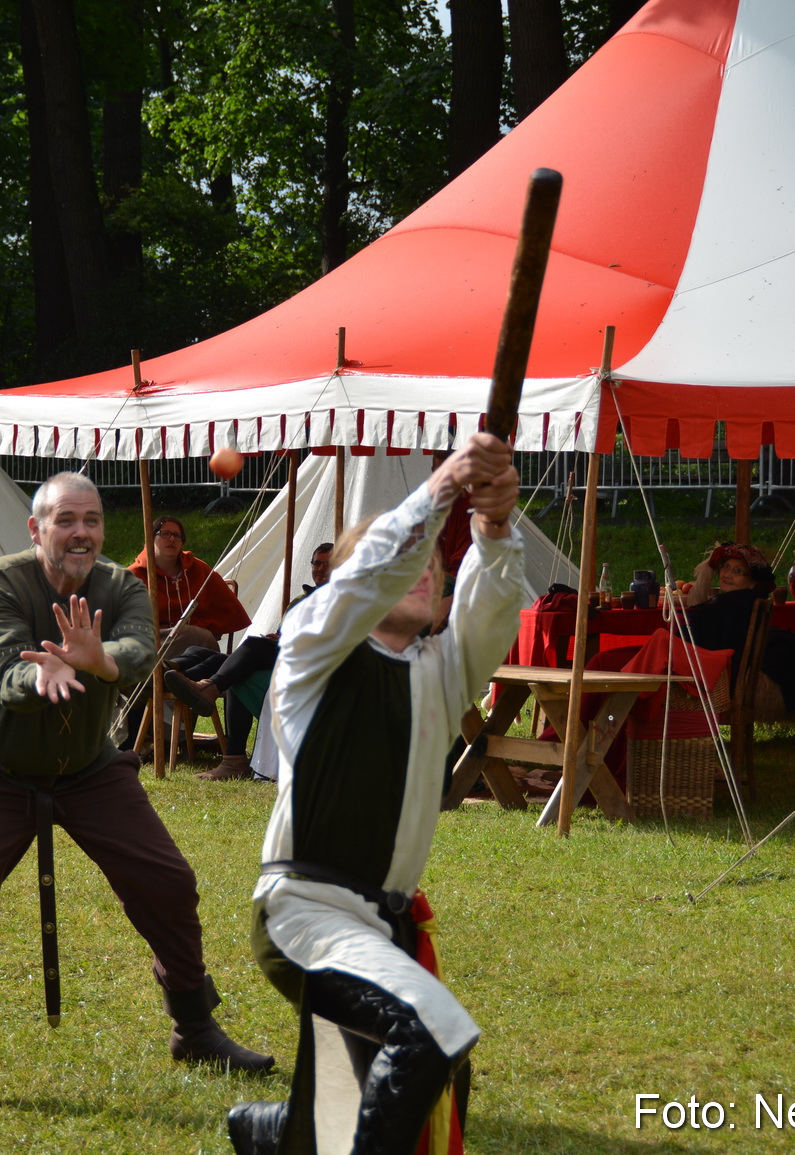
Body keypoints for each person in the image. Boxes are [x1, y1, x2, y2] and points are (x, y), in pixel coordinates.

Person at [0, 472, 272, 1110]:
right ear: (37, 529)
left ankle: (194, 1026)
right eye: (66, 520)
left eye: (92, 520)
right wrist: (46, 673)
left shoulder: (121, 585)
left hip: (90, 769)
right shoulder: (0, 583)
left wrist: (96, 660)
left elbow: (139, 647)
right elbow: (8, 666)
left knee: (168, 882)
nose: (81, 532)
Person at [225, 434, 524, 1155]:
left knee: (356, 1110)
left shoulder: (443, 670)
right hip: (306, 915)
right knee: (428, 1032)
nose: (425, 569)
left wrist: (494, 526)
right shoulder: (312, 647)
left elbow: (492, 606)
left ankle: (269, 1134)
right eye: (409, 558)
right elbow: (364, 583)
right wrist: (443, 488)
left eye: (437, 564)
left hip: (382, 929)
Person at [166, 543, 334, 781]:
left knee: (251, 648)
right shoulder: (299, 600)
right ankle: (172, 671)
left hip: (309, 664)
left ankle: (206, 687)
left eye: (328, 563)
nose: (320, 569)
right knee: (205, 653)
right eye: (317, 563)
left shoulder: (343, 600)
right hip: (283, 656)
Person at [681, 543, 795, 735]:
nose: (728, 574)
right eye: (726, 567)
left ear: (753, 581)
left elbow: (690, 632)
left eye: (738, 571)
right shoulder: (743, 601)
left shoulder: (732, 605)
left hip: (728, 672)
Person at [129, 516, 251, 653]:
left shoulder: (197, 569)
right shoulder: (134, 576)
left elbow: (226, 607)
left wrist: (206, 625)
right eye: (164, 534)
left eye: (177, 535)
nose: (171, 539)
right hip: (151, 640)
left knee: (201, 637)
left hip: (191, 639)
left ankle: (175, 668)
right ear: (150, 539)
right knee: (198, 637)